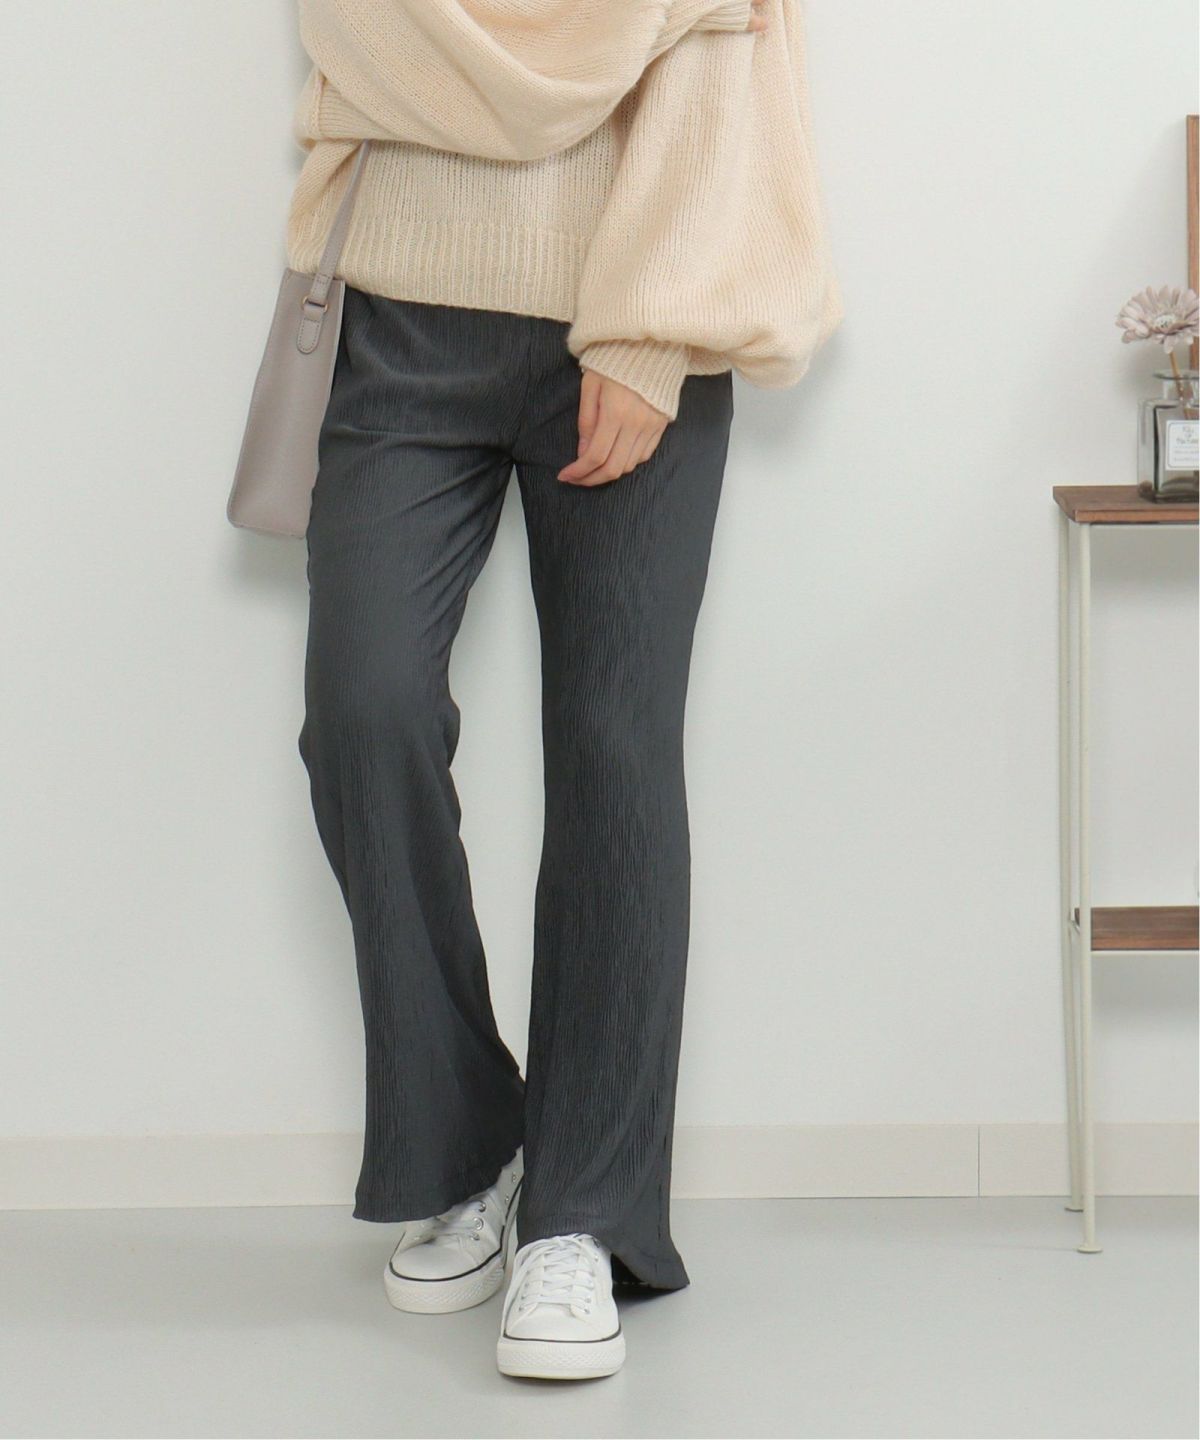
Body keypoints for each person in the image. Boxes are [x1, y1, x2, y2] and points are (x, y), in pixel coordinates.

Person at [286, 0, 842, 1381]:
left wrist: (649, 334)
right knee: (364, 711)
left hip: (630, 318)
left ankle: (583, 1216)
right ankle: (471, 1147)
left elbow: (722, 84)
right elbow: (351, 34)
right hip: (396, 324)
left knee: (614, 750)